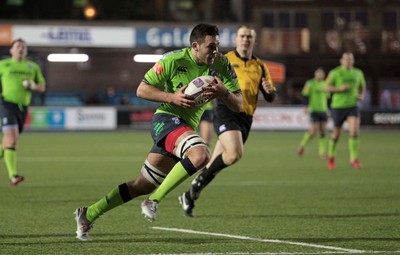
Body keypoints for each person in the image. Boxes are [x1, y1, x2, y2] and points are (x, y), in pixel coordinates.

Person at [74, 23, 242, 241]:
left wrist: (224, 92)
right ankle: (153, 200)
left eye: (217, 46)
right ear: (195, 46)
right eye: (210, 46)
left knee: (140, 185)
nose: (215, 51)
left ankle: (88, 214)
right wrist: (172, 97)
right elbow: (141, 89)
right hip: (165, 120)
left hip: (184, 129)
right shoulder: (173, 60)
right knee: (201, 155)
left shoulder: (221, 63)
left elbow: (239, 104)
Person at [178, 24, 276, 217]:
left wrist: (270, 91)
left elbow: (270, 95)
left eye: (249, 36)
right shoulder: (224, 60)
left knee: (215, 164)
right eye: (242, 36)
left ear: (254, 41)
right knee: (234, 154)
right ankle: (197, 183)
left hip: (246, 117)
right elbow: (203, 77)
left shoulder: (260, 66)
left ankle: (188, 196)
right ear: (236, 39)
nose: (245, 39)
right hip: (226, 111)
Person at [0, 38, 46, 186]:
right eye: (18, 46)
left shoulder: (32, 67)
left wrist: (33, 85)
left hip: (22, 108)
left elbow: (42, 87)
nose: (21, 49)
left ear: (26, 51)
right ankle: (13, 176)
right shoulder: (3, 65)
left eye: (23, 47)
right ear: (11, 50)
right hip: (6, 104)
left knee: (8, 143)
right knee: (11, 139)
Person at [324, 52, 366, 170]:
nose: (348, 61)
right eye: (346, 59)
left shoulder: (358, 73)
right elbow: (326, 87)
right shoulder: (335, 72)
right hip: (338, 106)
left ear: (353, 61)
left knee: (354, 131)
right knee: (336, 134)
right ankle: (331, 157)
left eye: (350, 59)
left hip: (353, 105)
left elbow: (362, 86)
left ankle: (353, 159)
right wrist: (339, 89)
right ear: (341, 61)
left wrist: (362, 95)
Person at [297, 68, 329, 159]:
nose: (320, 75)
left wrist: (329, 109)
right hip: (314, 110)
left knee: (323, 132)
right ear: (315, 74)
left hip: (323, 110)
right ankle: (302, 146)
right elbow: (305, 95)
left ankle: (322, 152)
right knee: (313, 132)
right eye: (318, 73)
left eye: (321, 74)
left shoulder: (326, 84)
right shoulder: (310, 83)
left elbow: (328, 97)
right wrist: (306, 106)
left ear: (323, 75)